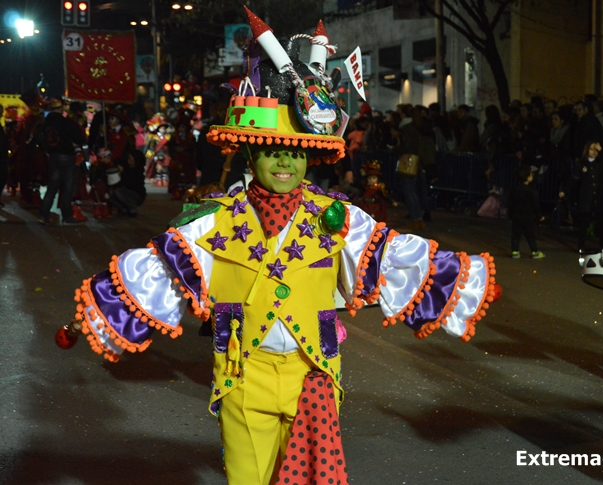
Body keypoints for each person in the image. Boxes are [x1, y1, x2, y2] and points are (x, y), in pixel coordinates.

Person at [62, 11, 497, 485]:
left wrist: (457, 275)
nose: (286, 161)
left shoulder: (340, 219)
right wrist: (99, 311)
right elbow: (155, 275)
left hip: (312, 376)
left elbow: (397, 259)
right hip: (241, 379)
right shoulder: (210, 221)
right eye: (273, 149)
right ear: (252, 152)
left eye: (295, 150)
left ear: (309, 153)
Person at [39, 99, 87, 225]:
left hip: (53, 156)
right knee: (68, 187)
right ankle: (67, 216)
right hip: (67, 156)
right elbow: (78, 137)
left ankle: (44, 215)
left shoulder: (45, 124)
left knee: (52, 187)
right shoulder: (65, 122)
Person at [574, 141, 603, 252]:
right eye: (592, 149)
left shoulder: (600, 163)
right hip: (586, 198)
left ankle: (602, 245)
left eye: (596, 150)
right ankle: (580, 246)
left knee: (601, 223)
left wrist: (602, 151)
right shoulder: (582, 164)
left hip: (599, 198)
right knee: (584, 223)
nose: (594, 152)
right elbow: (575, 180)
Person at [508, 165, 545, 259]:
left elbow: (510, 203)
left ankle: (515, 251)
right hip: (527, 216)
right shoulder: (531, 191)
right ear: (528, 178)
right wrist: (539, 216)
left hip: (516, 215)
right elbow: (535, 205)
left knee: (515, 234)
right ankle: (534, 251)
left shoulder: (514, 190)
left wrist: (510, 214)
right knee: (530, 235)